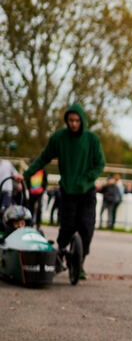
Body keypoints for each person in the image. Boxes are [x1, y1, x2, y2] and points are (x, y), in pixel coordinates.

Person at [15, 103, 105, 277]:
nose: (73, 124)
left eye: (77, 120)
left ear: (82, 121)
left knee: (86, 227)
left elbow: (100, 163)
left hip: (86, 191)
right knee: (67, 227)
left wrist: (88, 178)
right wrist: (26, 175)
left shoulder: (91, 140)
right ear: (66, 120)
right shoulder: (59, 139)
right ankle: (60, 256)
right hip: (68, 191)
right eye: (70, 120)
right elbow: (43, 159)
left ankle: (80, 264)